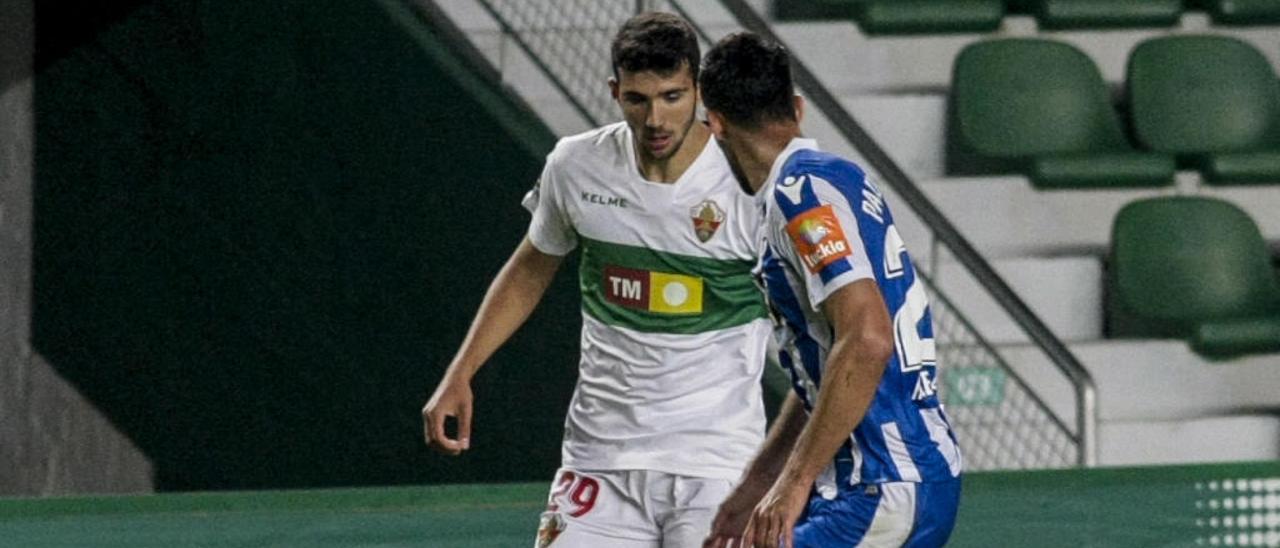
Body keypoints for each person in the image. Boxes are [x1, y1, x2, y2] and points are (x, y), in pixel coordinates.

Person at [422, 12, 772, 547]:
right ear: (614, 91)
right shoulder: (576, 164)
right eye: (638, 99)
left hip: (717, 462)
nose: (656, 118)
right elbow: (531, 267)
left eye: (673, 97)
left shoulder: (749, 181)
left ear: (699, 91)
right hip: (600, 459)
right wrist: (462, 369)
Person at [698, 32, 963, 548]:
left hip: (878, 483)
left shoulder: (801, 195)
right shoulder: (837, 179)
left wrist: (791, 485)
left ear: (716, 125)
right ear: (797, 108)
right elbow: (835, 362)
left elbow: (865, 340)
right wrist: (759, 483)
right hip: (909, 471)